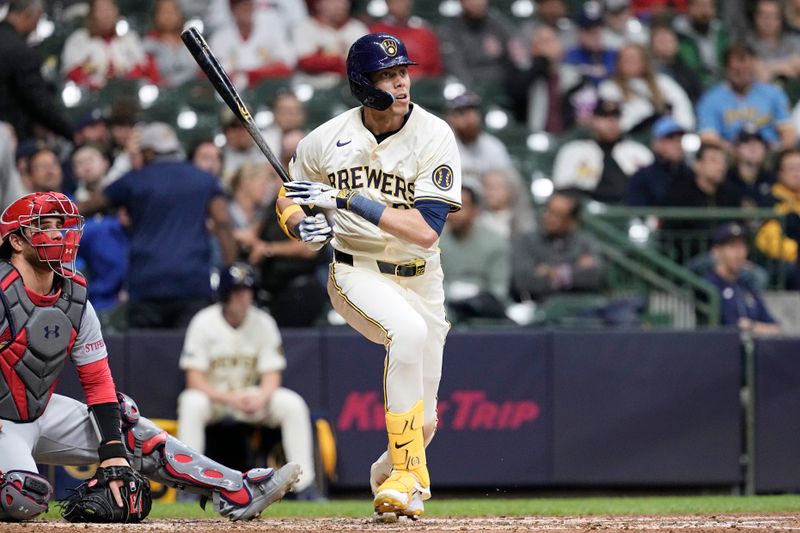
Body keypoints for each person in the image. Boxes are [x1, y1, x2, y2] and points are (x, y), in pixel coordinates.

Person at [0, 191, 301, 523]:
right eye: (44, 225)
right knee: (22, 498)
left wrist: (113, 452)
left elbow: (97, 380)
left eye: (61, 224)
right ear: (16, 241)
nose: (58, 233)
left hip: (39, 411)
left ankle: (237, 489)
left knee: (125, 426)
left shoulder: (74, 296)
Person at [277, 33, 462, 519]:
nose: (400, 82)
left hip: (422, 276)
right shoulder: (324, 139)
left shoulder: (434, 133)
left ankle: (390, 469)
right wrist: (302, 225)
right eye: (386, 74)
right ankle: (406, 476)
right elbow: (290, 195)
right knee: (407, 333)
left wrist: (344, 200)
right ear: (363, 84)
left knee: (425, 422)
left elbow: (425, 231)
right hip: (356, 269)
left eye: (402, 72)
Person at [177, 263, 323, 501]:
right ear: (225, 294)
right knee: (191, 402)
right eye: (237, 291)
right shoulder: (203, 322)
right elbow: (194, 379)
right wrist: (230, 398)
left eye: (247, 290)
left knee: (291, 403)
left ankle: (305, 486)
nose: (244, 296)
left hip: (250, 397)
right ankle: (187, 487)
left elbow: (272, 374)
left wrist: (262, 397)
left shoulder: (263, 321)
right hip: (217, 398)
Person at [78, 122, 238, 328]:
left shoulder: (135, 180)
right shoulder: (204, 179)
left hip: (147, 283)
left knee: (146, 357)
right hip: (192, 282)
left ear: (148, 152)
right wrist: (230, 270)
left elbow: (90, 204)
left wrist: (49, 210)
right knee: (188, 355)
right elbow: (223, 223)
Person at [552, 98, 653, 204]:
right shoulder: (573, 150)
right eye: (604, 117)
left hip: (631, 210)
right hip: (587, 210)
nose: (611, 123)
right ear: (593, 120)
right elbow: (562, 187)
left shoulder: (638, 151)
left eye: (616, 117)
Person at [697, 44, 796, 152]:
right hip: (730, 156)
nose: (743, 75)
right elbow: (708, 137)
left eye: (747, 70)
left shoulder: (773, 93)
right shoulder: (711, 99)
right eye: (737, 70)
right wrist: (736, 152)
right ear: (726, 70)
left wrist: (777, 150)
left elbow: (788, 131)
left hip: (769, 152)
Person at [0, 0, 74, 142]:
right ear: (28, 14)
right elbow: (39, 103)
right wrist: (70, 132)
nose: (35, 28)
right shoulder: (21, 53)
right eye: (38, 20)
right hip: (9, 136)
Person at [511, 191, 603, 301]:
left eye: (558, 215)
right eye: (548, 211)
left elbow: (593, 276)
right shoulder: (525, 240)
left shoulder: (585, 241)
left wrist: (549, 271)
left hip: (580, 308)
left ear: (572, 221)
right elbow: (524, 279)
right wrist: (573, 270)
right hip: (539, 306)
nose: (549, 218)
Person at [439, 179, 510, 321]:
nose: (454, 213)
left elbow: (499, 289)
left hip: (483, 310)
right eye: (450, 206)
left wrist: (475, 297)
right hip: (442, 306)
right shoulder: (433, 239)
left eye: (461, 206)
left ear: (475, 211)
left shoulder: (495, 241)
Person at [598, 43, 695, 134]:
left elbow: (682, 107)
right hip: (633, 135)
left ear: (645, 61)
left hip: (667, 136)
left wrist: (682, 130)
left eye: (635, 58)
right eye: (626, 59)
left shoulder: (663, 82)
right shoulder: (609, 88)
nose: (631, 63)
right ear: (618, 63)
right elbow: (613, 122)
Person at [61, 0, 157, 89]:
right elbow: (71, 72)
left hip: (127, 96)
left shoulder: (130, 39)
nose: (106, 15)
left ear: (116, 11)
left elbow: (144, 68)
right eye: (101, 10)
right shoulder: (79, 40)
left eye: (109, 9)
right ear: (92, 13)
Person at [705, 222, 781, 334]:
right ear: (716, 251)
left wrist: (751, 326)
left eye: (742, 246)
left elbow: (775, 328)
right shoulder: (709, 285)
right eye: (732, 246)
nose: (739, 253)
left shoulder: (746, 286)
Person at [209, 0, 296, 89]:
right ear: (233, 9)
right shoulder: (220, 38)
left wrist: (252, 74)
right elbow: (209, 71)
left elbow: (287, 66)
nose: (246, 9)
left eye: (249, 5)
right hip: (232, 93)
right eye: (242, 6)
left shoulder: (271, 30)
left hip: (267, 90)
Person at [440, 0, 525, 88]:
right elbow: (456, 67)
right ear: (462, 2)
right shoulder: (451, 29)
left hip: (502, 84)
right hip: (470, 85)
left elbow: (518, 54)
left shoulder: (497, 23)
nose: (478, 3)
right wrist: (471, 89)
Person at [444, 91, 515, 180]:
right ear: (450, 118)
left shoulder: (493, 146)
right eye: (462, 113)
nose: (469, 119)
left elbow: (507, 182)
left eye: (472, 112)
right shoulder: (443, 146)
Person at [627, 116, 693, 207]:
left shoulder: (691, 175)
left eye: (680, 139)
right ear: (656, 144)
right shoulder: (643, 177)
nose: (677, 144)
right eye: (670, 138)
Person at [293, 0, 368, 78]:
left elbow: (367, 61)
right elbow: (306, 62)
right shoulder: (304, 28)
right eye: (333, 1)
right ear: (318, 4)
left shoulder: (357, 28)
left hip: (350, 86)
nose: (341, 5)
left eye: (344, 1)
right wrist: (340, 62)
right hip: (315, 86)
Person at [369, 0, 442, 77]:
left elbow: (435, 70)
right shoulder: (375, 33)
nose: (404, 4)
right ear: (388, 3)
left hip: (422, 85)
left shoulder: (425, 32)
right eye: (398, 1)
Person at [673, 0, 729, 89]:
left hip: (722, 87)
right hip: (690, 88)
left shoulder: (721, 34)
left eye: (709, 6)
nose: (705, 11)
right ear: (689, 8)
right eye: (700, 6)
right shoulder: (677, 36)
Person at [143, 0, 199, 88]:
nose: (168, 15)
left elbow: (203, 73)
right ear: (155, 16)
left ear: (180, 13)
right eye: (164, 11)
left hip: (193, 94)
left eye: (172, 11)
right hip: (162, 95)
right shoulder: (147, 45)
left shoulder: (194, 41)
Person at [746, 0, 800, 82]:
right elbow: (754, 72)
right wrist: (787, 66)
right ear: (755, 17)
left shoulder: (793, 41)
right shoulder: (746, 43)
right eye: (764, 16)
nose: (768, 21)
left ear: (781, 19)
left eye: (774, 16)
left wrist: (767, 69)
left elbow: (798, 65)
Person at [726, 127, 775, 208]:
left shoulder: (772, 179)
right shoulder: (726, 179)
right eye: (746, 142)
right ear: (736, 149)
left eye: (758, 143)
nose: (753, 147)